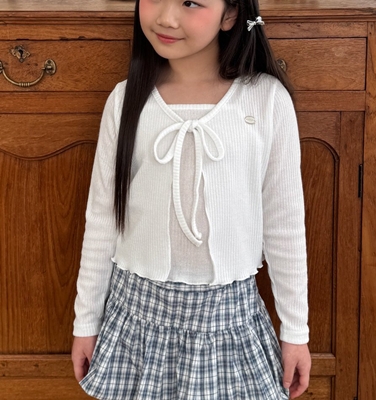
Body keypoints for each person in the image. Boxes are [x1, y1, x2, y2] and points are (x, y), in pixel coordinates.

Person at [71, 0, 311, 399]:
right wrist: (86, 322)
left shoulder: (266, 100)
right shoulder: (126, 99)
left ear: (230, 14)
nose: (166, 18)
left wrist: (296, 331)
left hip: (229, 323)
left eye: (190, 2)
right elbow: (102, 219)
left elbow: (284, 225)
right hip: (137, 321)